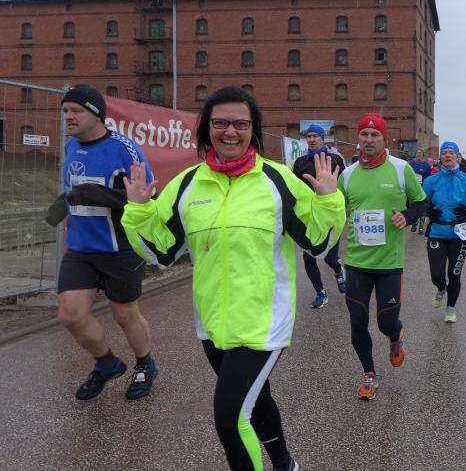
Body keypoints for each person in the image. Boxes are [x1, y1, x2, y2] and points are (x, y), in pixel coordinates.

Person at [122, 87, 345, 471]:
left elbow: (318, 243)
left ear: (253, 130)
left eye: (240, 124)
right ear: (207, 128)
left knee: (230, 419)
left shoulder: (278, 181)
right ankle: (285, 464)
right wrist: (141, 211)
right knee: (256, 400)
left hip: (263, 323)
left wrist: (327, 201)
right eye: (220, 122)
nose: (230, 131)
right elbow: (162, 251)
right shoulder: (187, 184)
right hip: (212, 322)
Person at [44, 84, 158, 401]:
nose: (68, 116)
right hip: (81, 249)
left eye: (76, 111)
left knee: (124, 314)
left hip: (120, 248)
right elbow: (76, 189)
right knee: (70, 314)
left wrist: (94, 194)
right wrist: (65, 201)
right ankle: (107, 364)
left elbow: (149, 197)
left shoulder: (123, 149)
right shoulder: (71, 147)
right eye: (65, 111)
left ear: (97, 114)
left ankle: (145, 365)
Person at [338, 113, 428, 401]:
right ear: (358, 138)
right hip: (357, 262)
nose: (369, 139)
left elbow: (421, 202)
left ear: (384, 138)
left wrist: (407, 217)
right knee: (357, 321)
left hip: (390, 263)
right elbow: (335, 209)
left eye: (375, 134)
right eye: (364, 134)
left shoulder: (401, 169)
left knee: (386, 323)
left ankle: (395, 337)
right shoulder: (347, 175)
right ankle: (369, 374)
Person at [423, 141, 466, 323]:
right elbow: (420, 203)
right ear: (440, 157)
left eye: (451, 153)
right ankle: (441, 288)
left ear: (458, 157)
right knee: (437, 275)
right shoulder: (431, 181)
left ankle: (450, 308)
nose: (447, 155)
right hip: (437, 232)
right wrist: (428, 211)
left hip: (460, 234)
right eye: (444, 153)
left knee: (454, 274)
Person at [293, 124, 347, 308]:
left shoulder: (335, 159)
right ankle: (320, 293)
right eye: (309, 136)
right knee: (308, 258)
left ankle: (338, 270)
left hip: (330, 217)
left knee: (330, 258)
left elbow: (344, 185)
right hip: (310, 218)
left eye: (315, 136)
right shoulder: (300, 163)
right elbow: (294, 189)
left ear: (322, 138)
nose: (311, 139)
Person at [408, 148, 433, 234]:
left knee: (423, 209)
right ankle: (415, 222)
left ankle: (421, 227)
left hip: (423, 190)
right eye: (417, 153)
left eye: (420, 153)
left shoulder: (426, 165)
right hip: (413, 190)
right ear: (415, 155)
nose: (418, 154)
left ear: (423, 155)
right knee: (413, 208)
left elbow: (430, 177)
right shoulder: (411, 164)